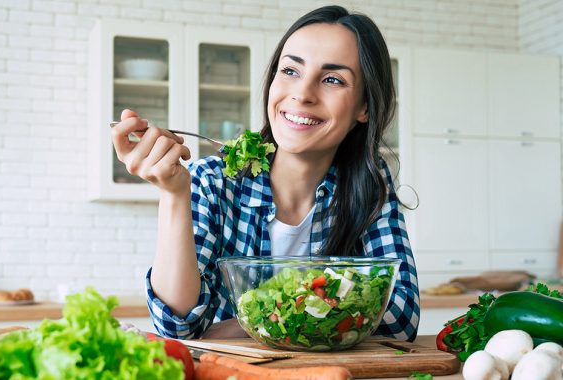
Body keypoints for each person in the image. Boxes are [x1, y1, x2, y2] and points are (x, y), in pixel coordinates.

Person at [111, 5, 420, 342]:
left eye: (332, 79)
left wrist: (248, 322)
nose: (302, 94)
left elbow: (400, 318)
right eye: (290, 71)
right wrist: (173, 193)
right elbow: (179, 326)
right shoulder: (212, 181)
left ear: (364, 107)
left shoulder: (371, 186)